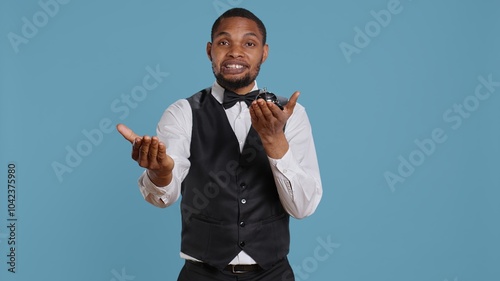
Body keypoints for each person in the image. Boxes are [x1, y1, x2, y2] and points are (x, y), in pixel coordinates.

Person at [117, 7, 322, 281]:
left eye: (249, 43)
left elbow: (303, 208)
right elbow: (163, 197)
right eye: (224, 42)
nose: (235, 52)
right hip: (201, 274)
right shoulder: (182, 113)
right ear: (209, 50)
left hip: (273, 274)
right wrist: (161, 173)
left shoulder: (292, 114)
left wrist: (274, 142)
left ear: (264, 52)